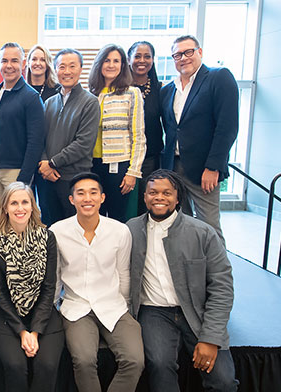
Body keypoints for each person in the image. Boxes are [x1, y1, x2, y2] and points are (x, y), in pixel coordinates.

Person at [126, 169, 238, 392]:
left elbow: (222, 287)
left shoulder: (202, 232)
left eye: (167, 193)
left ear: (178, 198)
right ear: (144, 197)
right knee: (159, 364)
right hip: (154, 312)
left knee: (223, 381)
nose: (159, 197)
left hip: (197, 312)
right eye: (153, 192)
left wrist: (210, 337)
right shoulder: (131, 230)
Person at [50, 172, 144, 392]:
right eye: (80, 193)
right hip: (76, 307)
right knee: (83, 360)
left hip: (113, 305)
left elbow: (124, 274)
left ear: (102, 198)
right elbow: (56, 276)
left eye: (93, 193)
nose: (87, 198)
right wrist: (51, 310)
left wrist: (125, 309)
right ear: (72, 200)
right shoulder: (58, 231)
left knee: (134, 360)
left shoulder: (120, 231)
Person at [0, 181, 63, 392]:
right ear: (5, 208)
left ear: (32, 206)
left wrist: (35, 331)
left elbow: (50, 287)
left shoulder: (47, 237)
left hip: (43, 313)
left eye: (25, 202)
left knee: (48, 365)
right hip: (5, 316)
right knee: (15, 365)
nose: (20, 208)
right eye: (14, 203)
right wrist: (21, 331)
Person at [161, 35, 239, 243]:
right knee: (179, 225)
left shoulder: (218, 77)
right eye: (177, 55)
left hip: (204, 169)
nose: (183, 58)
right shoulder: (168, 90)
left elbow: (227, 127)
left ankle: (218, 276)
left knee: (209, 228)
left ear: (200, 52)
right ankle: (188, 272)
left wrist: (214, 166)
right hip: (174, 168)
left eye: (188, 52)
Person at [36, 48, 100, 226]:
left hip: (74, 179)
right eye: (62, 66)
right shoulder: (49, 103)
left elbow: (84, 144)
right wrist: (44, 164)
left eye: (72, 66)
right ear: (55, 70)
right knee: (50, 227)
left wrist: (52, 163)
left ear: (81, 69)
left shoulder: (90, 102)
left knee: (74, 229)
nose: (67, 71)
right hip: (47, 178)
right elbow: (39, 138)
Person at [0, 42, 45, 210]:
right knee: (1, 219)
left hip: (16, 172)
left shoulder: (31, 98)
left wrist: (24, 178)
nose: (9, 66)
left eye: (14, 61)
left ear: (23, 64)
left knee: (19, 220)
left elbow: (35, 142)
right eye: (4, 61)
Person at [88, 44, 146, 223]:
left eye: (116, 61)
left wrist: (133, 172)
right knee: (94, 215)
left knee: (117, 216)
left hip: (118, 165)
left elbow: (139, 136)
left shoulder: (132, 93)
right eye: (107, 60)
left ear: (123, 65)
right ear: (99, 64)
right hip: (91, 164)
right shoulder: (91, 94)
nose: (111, 65)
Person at [128, 41, 164, 216]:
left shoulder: (161, 89)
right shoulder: (120, 89)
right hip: (123, 157)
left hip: (150, 159)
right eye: (137, 56)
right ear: (129, 59)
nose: (142, 60)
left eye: (147, 56)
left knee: (146, 205)